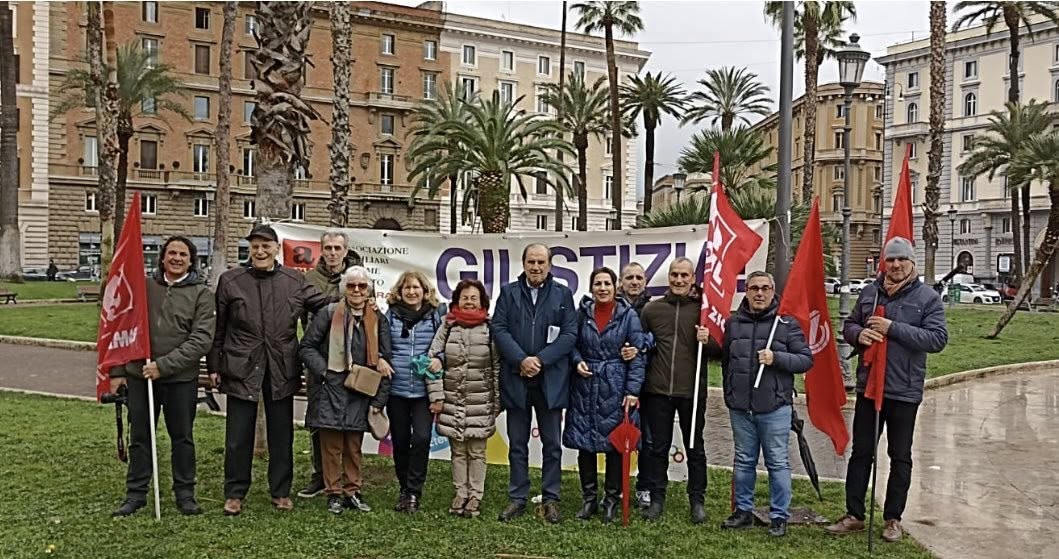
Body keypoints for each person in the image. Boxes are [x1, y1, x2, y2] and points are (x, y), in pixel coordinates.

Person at [827, 237, 948, 542]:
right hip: (870, 387)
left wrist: (892, 327)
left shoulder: (927, 298)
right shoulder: (870, 292)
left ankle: (893, 518)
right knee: (861, 453)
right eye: (890, 260)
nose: (895, 265)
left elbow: (937, 339)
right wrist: (860, 334)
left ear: (912, 263)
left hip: (904, 390)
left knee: (900, 455)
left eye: (901, 260)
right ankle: (854, 514)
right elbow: (850, 325)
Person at [208, 224, 328, 516]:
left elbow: (325, 303)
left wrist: (358, 296)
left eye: (266, 246)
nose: (260, 252)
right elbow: (218, 327)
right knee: (238, 435)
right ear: (249, 250)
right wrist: (214, 365)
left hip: (281, 366)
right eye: (255, 247)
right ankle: (235, 493)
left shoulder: (294, 281)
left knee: (281, 433)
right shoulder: (230, 281)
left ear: (276, 248)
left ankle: (281, 491)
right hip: (241, 366)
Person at [110, 236, 216, 517]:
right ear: (162, 257)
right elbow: (122, 326)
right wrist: (118, 371)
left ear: (191, 260)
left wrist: (163, 366)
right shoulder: (143, 287)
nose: (177, 258)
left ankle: (185, 494)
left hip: (179, 379)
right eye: (172, 253)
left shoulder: (201, 294)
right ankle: (136, 494)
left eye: (183, 254)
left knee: (182, 437)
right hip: (138, 376)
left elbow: (201, 339)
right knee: (140, 436)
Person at [719, 271, 813, 537]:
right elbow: (726, 360)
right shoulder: (734, 323)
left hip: (774, 407)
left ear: (773, 291)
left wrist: (777, 358)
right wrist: (730, 393)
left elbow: (805, 359)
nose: (759, 293)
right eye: (754, 288)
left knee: (777, 462)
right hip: (740, 407)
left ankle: (779, 516)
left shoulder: (786, 324)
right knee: (744, 460)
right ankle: (743, 511)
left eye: (765, 288)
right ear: (746, 291)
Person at [492, 243, 577, 524]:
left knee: (552, 444)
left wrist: (539, 360)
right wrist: (521, 360)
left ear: (550, 265)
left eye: (541, 262)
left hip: (550, 380)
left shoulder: (563, 294)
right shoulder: (508, 293)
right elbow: (499, 329)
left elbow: (569, 334)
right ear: (524, 263)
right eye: (531, 261)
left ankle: (551, 497)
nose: (536, 267)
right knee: (518, 443)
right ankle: (517, 497)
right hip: (517, 378)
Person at [299, 266, 393, 515]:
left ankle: (352, 491)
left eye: (362, 286)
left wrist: (380, 392)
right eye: (352, 286)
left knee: (353, 445)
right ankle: (333, 493)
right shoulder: (328, 313)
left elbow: (386, 358)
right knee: (330, 447)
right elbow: (307, 347)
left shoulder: (377, 318)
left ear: (369, 289)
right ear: (344, 288)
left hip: (361, 389)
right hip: (331, 389)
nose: (357, 290)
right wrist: (326, 373)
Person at [638, 257, 718, 524]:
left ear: (692, 278)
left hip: (691, 392)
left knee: (695, 449)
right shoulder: (651, 310)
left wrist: (708, 342)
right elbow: (641, 346)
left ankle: (697, 500)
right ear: (668, 278)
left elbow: (722, 351)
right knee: (657, 449)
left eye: (684, 275)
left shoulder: (703, 311)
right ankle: (657, 499)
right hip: (658, 391)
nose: (679, 280)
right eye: (675, 275)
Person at [564, 267, 646, 523]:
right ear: (591, 288)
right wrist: (577, 361)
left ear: (615, 286)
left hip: (615, 385)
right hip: (585, 386)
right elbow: (571, 345)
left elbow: (637, 354)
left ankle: (611, 499)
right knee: (585, 444)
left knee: (614, 445)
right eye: (597, 283)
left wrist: (633, 390)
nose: (602, 288)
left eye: (607, 283)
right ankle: (589, 499)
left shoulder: (628, 315)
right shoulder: (581, 314)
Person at [426, 279, 500, 519]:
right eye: (464, 298)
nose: (469, 302)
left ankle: (475, 495)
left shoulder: (491, 328)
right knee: (457, 451)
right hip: (451, 400)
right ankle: (460, 492)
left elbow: (497, 367)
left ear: (482, 302)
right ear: (457, 300)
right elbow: (433, 360)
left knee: (477, 451)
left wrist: (497, 402)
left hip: (481, 401)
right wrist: (436, 395)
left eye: (474, 298)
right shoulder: (447, 327)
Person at [298, 229, 362, 499]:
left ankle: (349, 480)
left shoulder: (356, 276)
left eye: (338, 248)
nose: (333, 253)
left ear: (345, 251)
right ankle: (319, 475)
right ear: (321, 250)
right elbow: (303, 314)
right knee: (318, 419)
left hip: (351, 360)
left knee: (351, 421)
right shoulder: (309, 278)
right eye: (328, 248)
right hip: (321, 357)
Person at [384, 270, 446, 513]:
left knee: (421, 438)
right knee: (400, 441)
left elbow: (446, 344)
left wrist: (440, 358)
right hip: (396, 390)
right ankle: (403, 488)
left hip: (424, 391)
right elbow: (380, 345)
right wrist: (381, 359)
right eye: (407, 288)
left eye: (416, 287)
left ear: (425, 291)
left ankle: (414, 491)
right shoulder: (390, 316)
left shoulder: (436, 316)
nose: (411, 292)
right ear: (400, 292)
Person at [618, 261, 653, 510]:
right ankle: (618, 487)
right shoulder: (612, 307)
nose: (634, 282)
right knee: (618, 438)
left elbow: (658, 336)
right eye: (629, 277)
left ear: (645, 282)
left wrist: (640, 345)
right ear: (621, 282)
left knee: (647, 440)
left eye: (639, 277)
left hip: (648, 383)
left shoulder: (654, 308)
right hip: (618, 382)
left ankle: (644, 487)